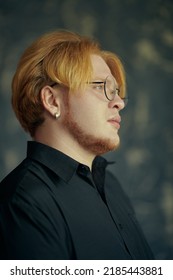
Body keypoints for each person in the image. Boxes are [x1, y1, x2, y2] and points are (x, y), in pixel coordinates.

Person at [0, 30, 154, 260]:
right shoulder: (22, 203)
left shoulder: (110, 186)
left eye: (117, 92)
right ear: (52, 101)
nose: (119, 103)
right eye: (101, 87)